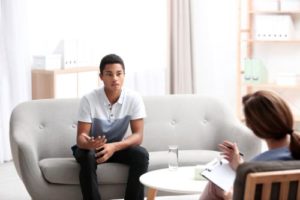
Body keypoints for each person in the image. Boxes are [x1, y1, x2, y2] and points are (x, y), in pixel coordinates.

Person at [72, 54, 149, 200]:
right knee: (87, 156)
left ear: (124, 75)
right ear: (101, 77)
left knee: (141, 154)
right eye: (109, 74)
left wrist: (114, 147)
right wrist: (89, 143)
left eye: (119, 74)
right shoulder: (89, 99)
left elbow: (138, 136)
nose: (115, 78)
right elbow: (80, 138)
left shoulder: (134, 98)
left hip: (116, 148)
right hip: (92, 148)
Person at [199, 90, 300, 200]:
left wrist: (228, 196)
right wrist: (240, 166)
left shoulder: (254, 167)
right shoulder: (294, 153)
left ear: (254, 128)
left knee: (214, 186)